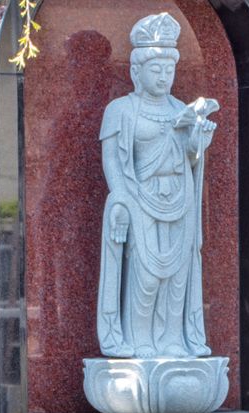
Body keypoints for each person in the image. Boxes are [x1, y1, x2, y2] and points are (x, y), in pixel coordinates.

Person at [97, 12, 218, 359]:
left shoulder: (181, 108)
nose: (164, 76)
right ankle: (140, 340)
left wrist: (199, 141)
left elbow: (189, 159)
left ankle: (173, 341)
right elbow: (113, 162)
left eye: (169, 69)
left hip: (179, 197)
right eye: (156, 69)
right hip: (140, 196)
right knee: (146, 276)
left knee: (177, 277)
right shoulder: (121, 110)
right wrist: (119, 199)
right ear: (137, 71)